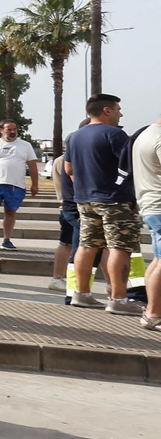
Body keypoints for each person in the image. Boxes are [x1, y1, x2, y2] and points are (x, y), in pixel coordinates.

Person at [66, 94, 144, 314]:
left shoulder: (75, 136)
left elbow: (69, 169)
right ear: (107, 110)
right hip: (114, 200)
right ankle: (118, 298)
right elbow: (131, 165)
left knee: (87, 245)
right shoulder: (116, 135)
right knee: (120, 247)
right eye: (118, 109)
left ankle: (81, 294)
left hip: (84, 199)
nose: (121, 113)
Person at [0, 120, 39, 248]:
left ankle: (7, 239)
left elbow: (32, 166)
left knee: (10, 212)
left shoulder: (25, 145)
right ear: (1, 130)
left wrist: (35, 184)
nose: (12, 132)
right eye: (9, 129)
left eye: (14, 129)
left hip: (16, 185)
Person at [51, 119, 88, 292]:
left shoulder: (63, 159)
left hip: (70, 207)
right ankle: (57, 277)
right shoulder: (64, 160)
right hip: (70, 207)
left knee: (69, 244)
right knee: (66, 244)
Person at [132, 112, 161, 331]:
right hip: (159, 205)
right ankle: (153, 313)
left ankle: (152, 311)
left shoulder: (146, 133)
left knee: (158, 261)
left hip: (150, 204)